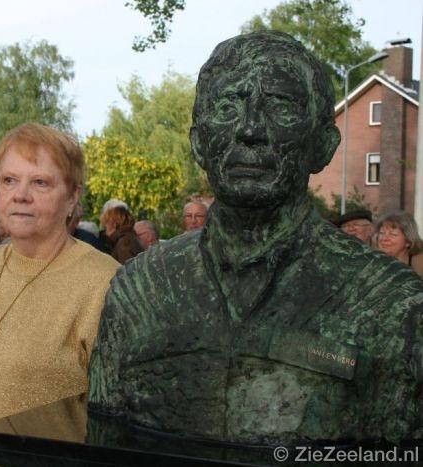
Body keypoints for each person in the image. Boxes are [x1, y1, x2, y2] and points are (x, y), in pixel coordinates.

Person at [88, 31, 423, 445]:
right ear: (198, 142)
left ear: (323, 144)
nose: (249, 129)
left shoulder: (392, 305)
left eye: (280, 108)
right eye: (228, 107)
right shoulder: (138, 291)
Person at [0, 123, 119, 466]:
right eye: (9, 180)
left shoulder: (104, 283)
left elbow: (120, 423)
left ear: (73, 196)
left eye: (40, 182)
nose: (20, 195)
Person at [375, 211, 423, 277]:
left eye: (393, 234)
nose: (384, 238)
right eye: (382, 233)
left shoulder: (420, 264)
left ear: (408, 241)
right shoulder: (371, 262)